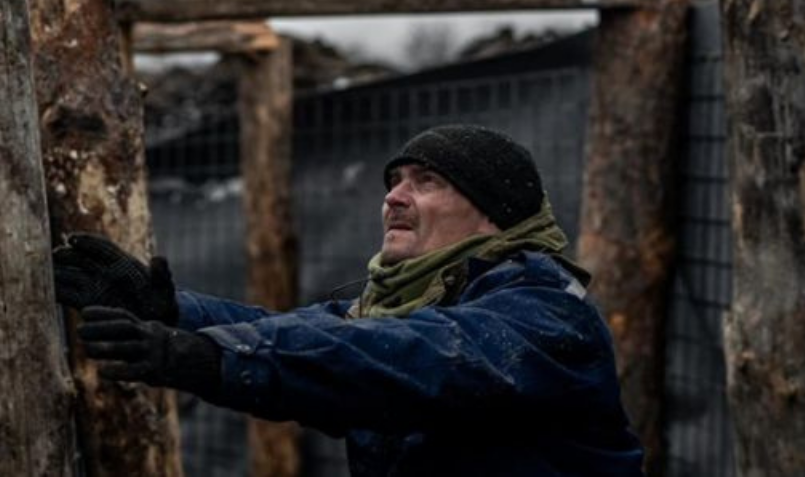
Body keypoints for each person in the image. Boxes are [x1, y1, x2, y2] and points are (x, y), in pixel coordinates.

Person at [54, 125, 645, 476]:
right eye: (395, 180)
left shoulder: (545, 318)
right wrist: (175, 313)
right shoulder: (402, 306)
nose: (394, 196)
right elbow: (304, 331)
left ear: (494, 213)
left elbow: (403, 360)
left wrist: (215, 359)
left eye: (427, 181)